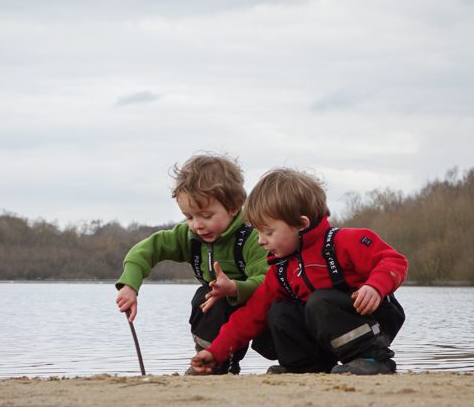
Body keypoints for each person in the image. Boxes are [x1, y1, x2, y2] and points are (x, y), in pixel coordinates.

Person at [191, 168, 408, 375]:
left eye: (268, 232)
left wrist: (375, 287)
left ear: (301, 224)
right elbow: (249, 315)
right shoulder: (281, 269)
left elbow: (394, 261)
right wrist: (215, 352)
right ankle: (306, 365)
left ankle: (374, 359)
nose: (260, 240)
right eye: (258, 232)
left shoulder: (344, 241)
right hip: (325, 327)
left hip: (374, 318)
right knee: (278, 311)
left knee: (319, 301)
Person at [112, 154, 272, 375]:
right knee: (204, 297)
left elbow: (267, 280)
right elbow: (147, 250)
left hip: (261, 311)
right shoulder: (188, 236)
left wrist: (235, 288)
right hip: (219, 310)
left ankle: (298, 363)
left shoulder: (254, 236)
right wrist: (129, 285)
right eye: (189, 217)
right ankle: (210, 362)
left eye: (206, 215)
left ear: (234, 208)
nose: (197, 225)